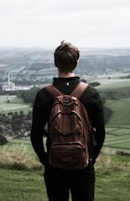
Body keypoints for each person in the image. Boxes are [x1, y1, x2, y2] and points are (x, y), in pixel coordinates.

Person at [30, 40, 105, 201]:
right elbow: (101, 134)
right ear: (76, 63)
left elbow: (35, 135)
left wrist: (46, 160)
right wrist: (91, 159)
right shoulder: (91, 94)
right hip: (83, 165)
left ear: (55, 63)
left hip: (54, 165)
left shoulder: (44, 95)